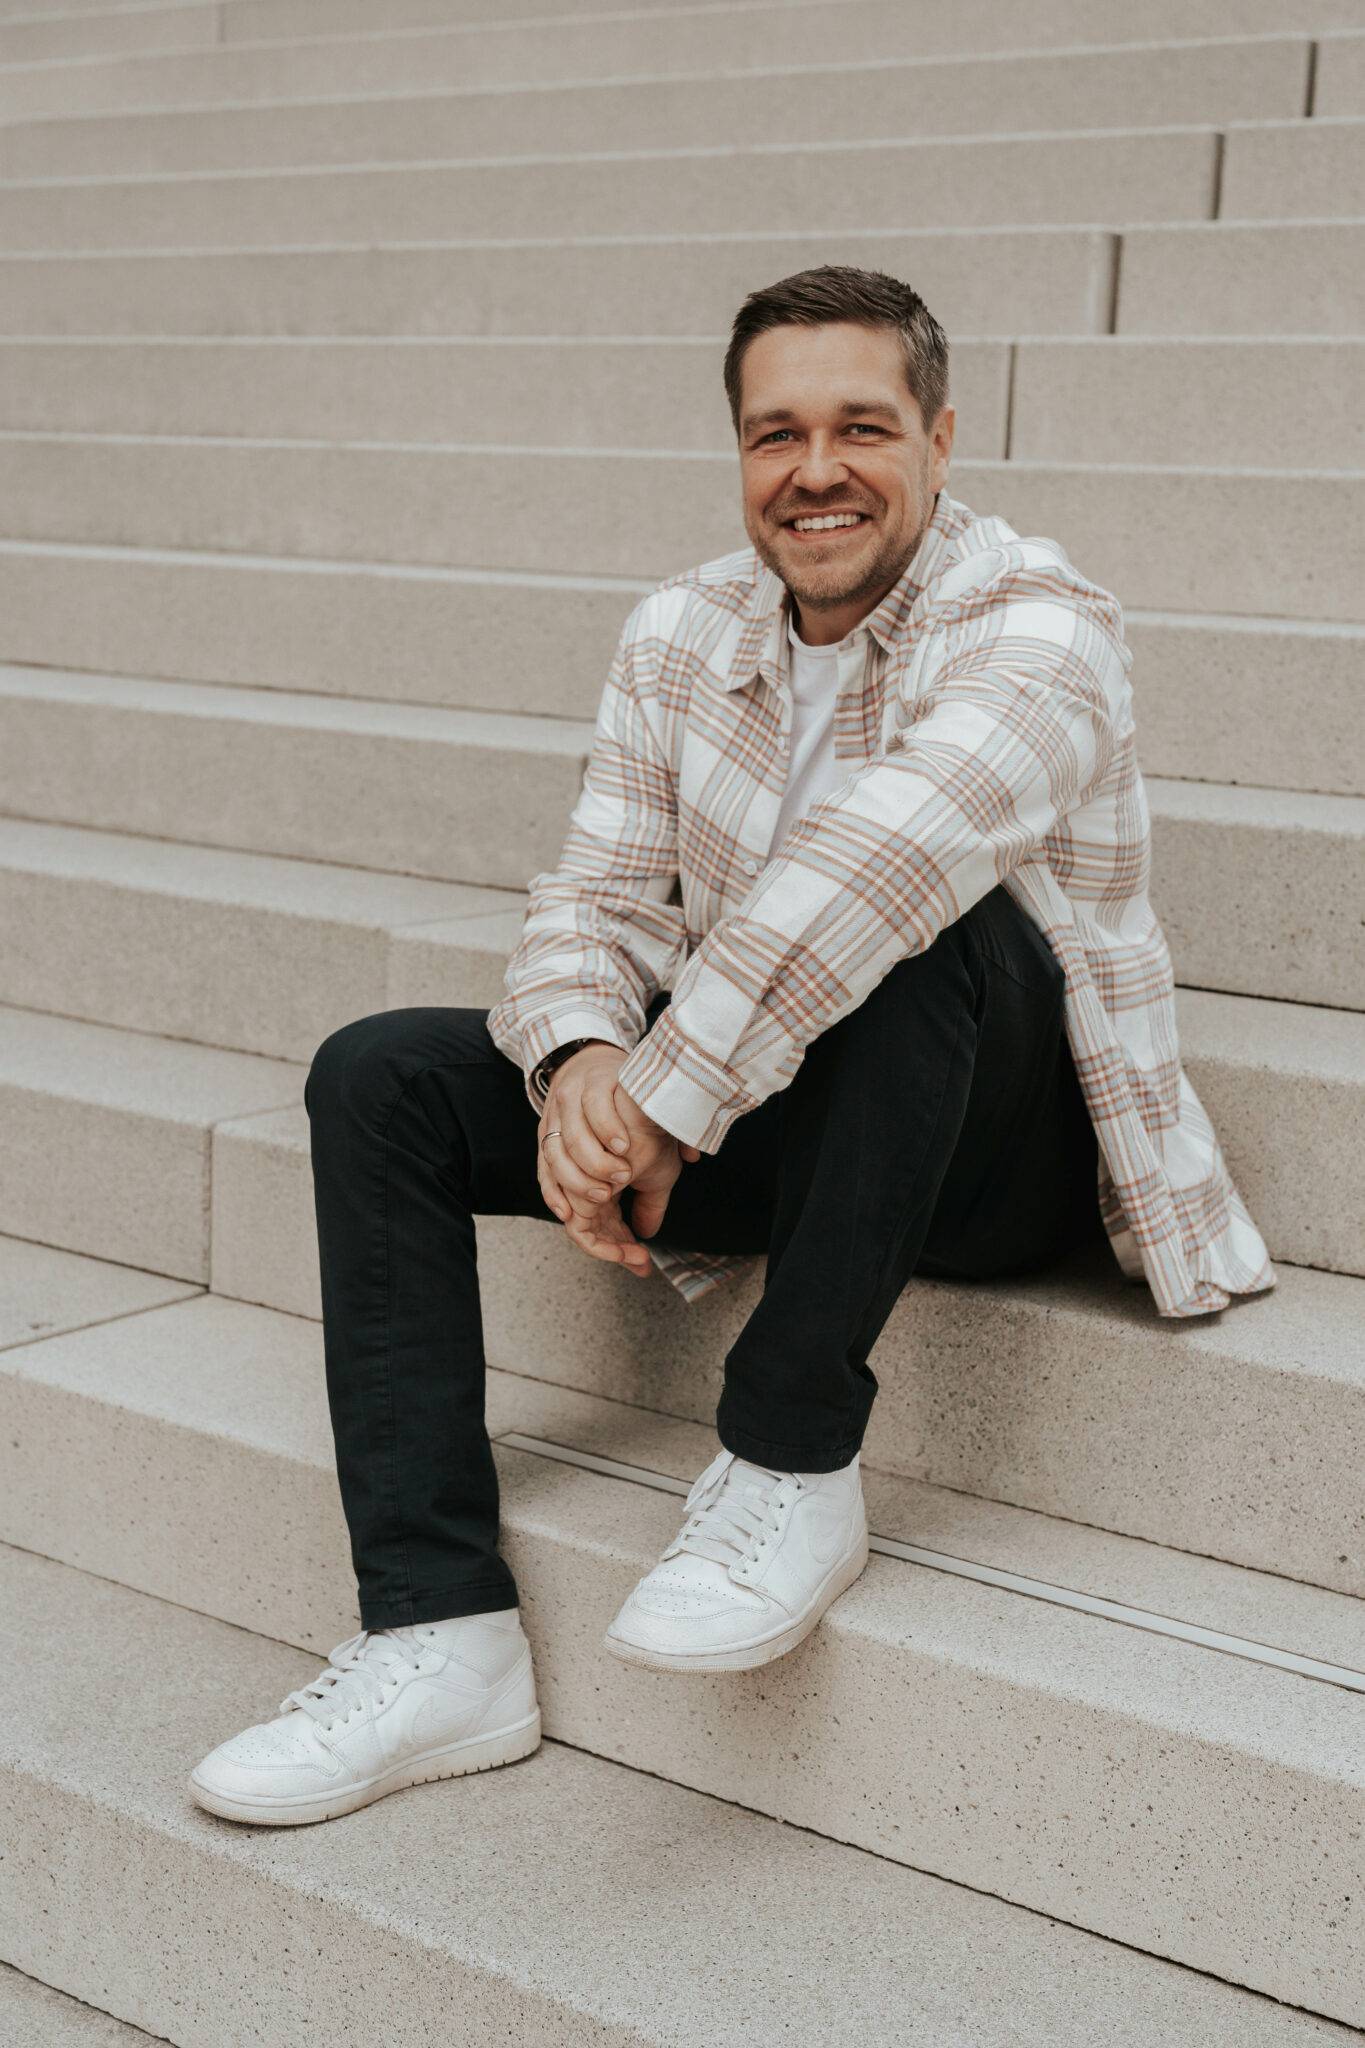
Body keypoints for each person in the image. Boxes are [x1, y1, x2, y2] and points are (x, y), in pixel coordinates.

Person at [188, 264, 1273, 1828]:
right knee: (383, 1075)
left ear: (941, 439)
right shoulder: (682, 629)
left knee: (925, 929)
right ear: (739, 452)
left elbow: (880, 863)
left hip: (988, 1141)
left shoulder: (1045, 625)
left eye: (860, 427)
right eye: (776, 433)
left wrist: (668, 1094)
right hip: (771, 1111)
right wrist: (573, 1068)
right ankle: (437, 1635)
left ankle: (786, 1458)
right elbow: (598, 895)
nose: (814, 469)